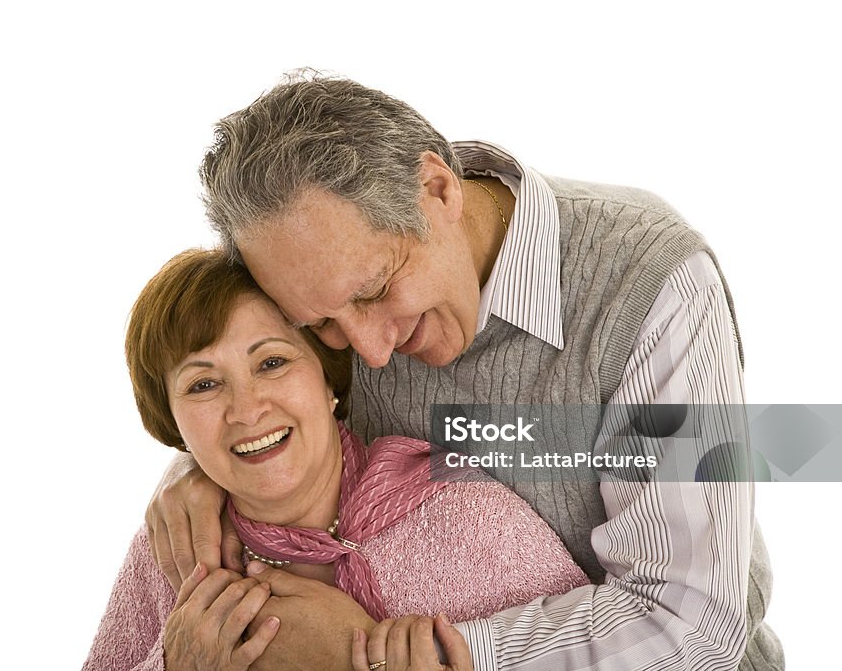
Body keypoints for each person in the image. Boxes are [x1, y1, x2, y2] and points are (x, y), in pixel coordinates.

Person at [146, 75, 782, 670]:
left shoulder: (648, 283)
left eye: (374, 291)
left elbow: (691, 626)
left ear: (438, 190)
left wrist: (372, 654)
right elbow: (274, 386)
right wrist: (208, 466)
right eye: (322, 326)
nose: (368, 353)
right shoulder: (338, 271)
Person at [82, 249, 590, 671]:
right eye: (204, 384)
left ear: (328, 380)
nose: (246, 409)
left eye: (273, 362)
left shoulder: (470, 519)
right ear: (173, 423)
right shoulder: (170, 552)